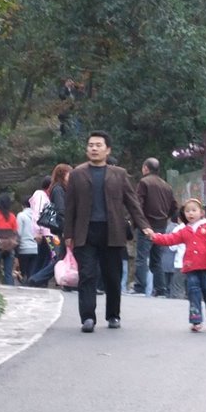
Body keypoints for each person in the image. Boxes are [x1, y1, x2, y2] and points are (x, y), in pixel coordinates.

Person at [63, 131, 151, 332]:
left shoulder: (119, 174)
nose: (94, 148)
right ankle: (87, 318)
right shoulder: (77, 174)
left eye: (98, 145)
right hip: (84, 232)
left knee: (112, 276)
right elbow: (70, 207)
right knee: (87, 275)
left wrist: (143, 225)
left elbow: (132, 202)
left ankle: (113, 315)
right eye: (91, 145)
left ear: (107, 149)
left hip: (113, 231)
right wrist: (68, 234)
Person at [145, 198, 206, 331]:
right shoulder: (184, 230)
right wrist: (154, 236)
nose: (190, 213)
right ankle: (196, 320)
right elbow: (170, 239)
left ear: (201, 213)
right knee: (193, 293)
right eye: (187, 211)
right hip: (191, 267)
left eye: (194, 210)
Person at [133, 157, 178, 296]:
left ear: (145, 168)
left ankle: (140, 287)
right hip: (162, 226)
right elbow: (174, 207)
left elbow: (138, 204)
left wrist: (138, 222)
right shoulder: (166, 186)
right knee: (156, 259)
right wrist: (165, 217)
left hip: (147, 225)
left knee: (142, 257)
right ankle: (160, 289)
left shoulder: (144, 182)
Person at [25, 164, 71, 288]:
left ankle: (36, 279)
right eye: (68, 174)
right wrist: (38, 231)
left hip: (54, 231)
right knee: (58, 258)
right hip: (57, 230)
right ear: (62, 175)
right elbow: (60, 211)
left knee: (57, 257)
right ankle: (36, 279)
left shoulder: (58, 189)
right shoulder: (57, 190)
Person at [0, 194, 19, 285]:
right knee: (8, 274)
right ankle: (11, 294)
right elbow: (15, 233)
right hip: (10, 248)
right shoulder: (12, 216)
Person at [16, 199, 40, 282]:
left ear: (23, 205)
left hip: (24, 248)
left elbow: (18, 233)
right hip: (35, 248)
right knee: (31, 273)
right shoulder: (37, 216)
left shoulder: (21, 216)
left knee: (23, 273)